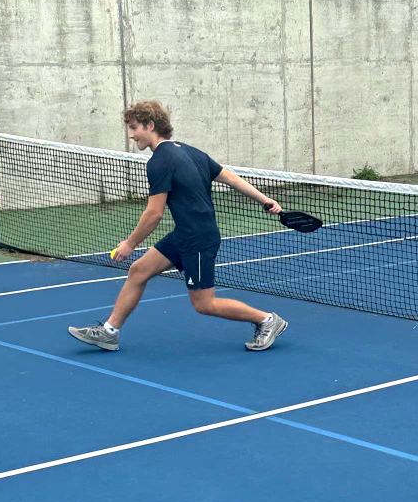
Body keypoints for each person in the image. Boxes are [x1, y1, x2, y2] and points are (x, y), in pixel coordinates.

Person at [68, 101, 288, 352]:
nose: (131, 135)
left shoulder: (159, 161)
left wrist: (130, 243)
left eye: (134, 128)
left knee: (204, 304)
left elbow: (154, 213)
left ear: (150, 125)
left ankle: (268, 320)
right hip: (185, 233)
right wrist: (264, 198)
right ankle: (109, 332)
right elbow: (229, 176)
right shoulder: (190, 151)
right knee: (139, 270)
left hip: (198, 239)